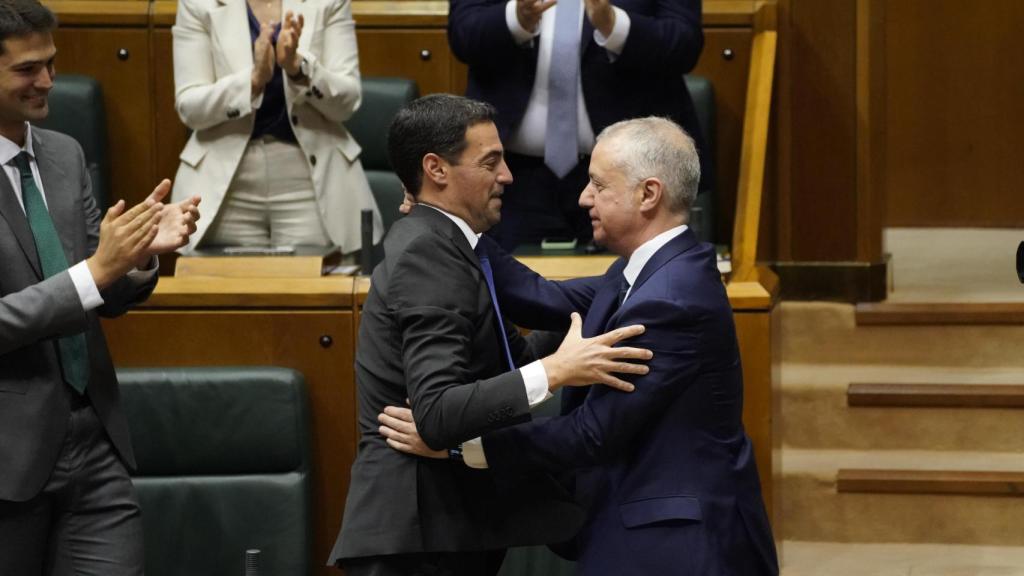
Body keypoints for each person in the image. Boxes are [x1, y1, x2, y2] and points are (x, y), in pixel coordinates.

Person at [381, 117, 779, 575]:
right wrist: (451, 218)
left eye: (597, 185)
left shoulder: (671, 300)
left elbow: (591, 432)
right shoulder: (645, 272)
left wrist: (461, 445)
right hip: (636, 524)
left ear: (648, 195)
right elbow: (544, 298)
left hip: (676, 543)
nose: (582, 198)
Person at [329, 94, 654, 576]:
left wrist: (644, 275)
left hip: (448, 531)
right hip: (416, 539)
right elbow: (436, 412)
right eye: (491, 162)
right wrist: (557, 371)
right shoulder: (428, 252)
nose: (508, 176)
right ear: (436, 169)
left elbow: (525, 334)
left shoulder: (454, 243)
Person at [0, 1, 202, 573]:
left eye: (51, 63)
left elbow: (103, 291)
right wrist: (96, 270)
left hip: (94, 443)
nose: (47, 80)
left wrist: (140, 256)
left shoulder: (63, 154)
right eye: (26, 70)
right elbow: (85, 278)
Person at [448, 0, 706, 250]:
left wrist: (612, 24)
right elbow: (463, 33)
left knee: (634, 287)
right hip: (512, 179)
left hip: (631, 179)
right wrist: (516, 18)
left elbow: (684, 43)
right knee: (504, 285)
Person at [171, 0, 381, 254]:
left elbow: (347, 102)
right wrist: (252, 81)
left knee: (314, 288)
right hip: (227, 181)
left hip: (308, 177)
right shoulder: (198, 4)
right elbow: (190, 107)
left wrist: (299, 70)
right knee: (225, 290)